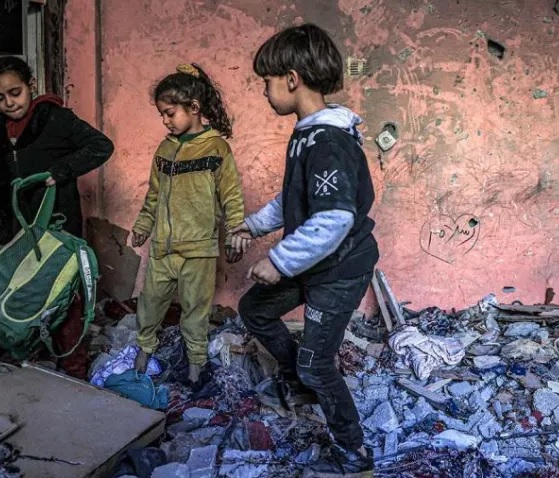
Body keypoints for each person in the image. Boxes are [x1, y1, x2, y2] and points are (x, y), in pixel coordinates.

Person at [229, 24, 379, 476]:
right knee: (255, 309)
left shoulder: (328, 141)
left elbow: (334, 219)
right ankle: (298, 381)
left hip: (340, 269)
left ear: (292, 79)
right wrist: (252, 225)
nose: (264, 91)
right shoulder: (308, 134)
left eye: (267, 81)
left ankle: (353, 450)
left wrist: (278, 261)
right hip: (316, 262)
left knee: (317, 362)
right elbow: (294, 198)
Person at [0, 56, 114, 379]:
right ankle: (38, 359)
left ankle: (74, 369)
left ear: (31, 86)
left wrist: (60, 171)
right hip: (23, 227)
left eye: (15, 92)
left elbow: (101, 146)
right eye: (0, 98)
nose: (9, 102)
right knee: (29, 290)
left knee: (65, 293)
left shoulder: (54, 118)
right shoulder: (0, 129)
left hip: (59, 222)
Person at [131, 63, 245, 385]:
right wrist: (143, 225)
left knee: (195, 312)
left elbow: (232, 196)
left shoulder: (216, 148)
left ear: (194, 108)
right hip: (162, 249)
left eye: (170, 113)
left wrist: (235, 233)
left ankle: (196, 366)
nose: (165, 121)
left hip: (199, 251)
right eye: (162, 115)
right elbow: (154, 195)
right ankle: (143, 354)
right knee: (149, 305)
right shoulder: (165, 149)